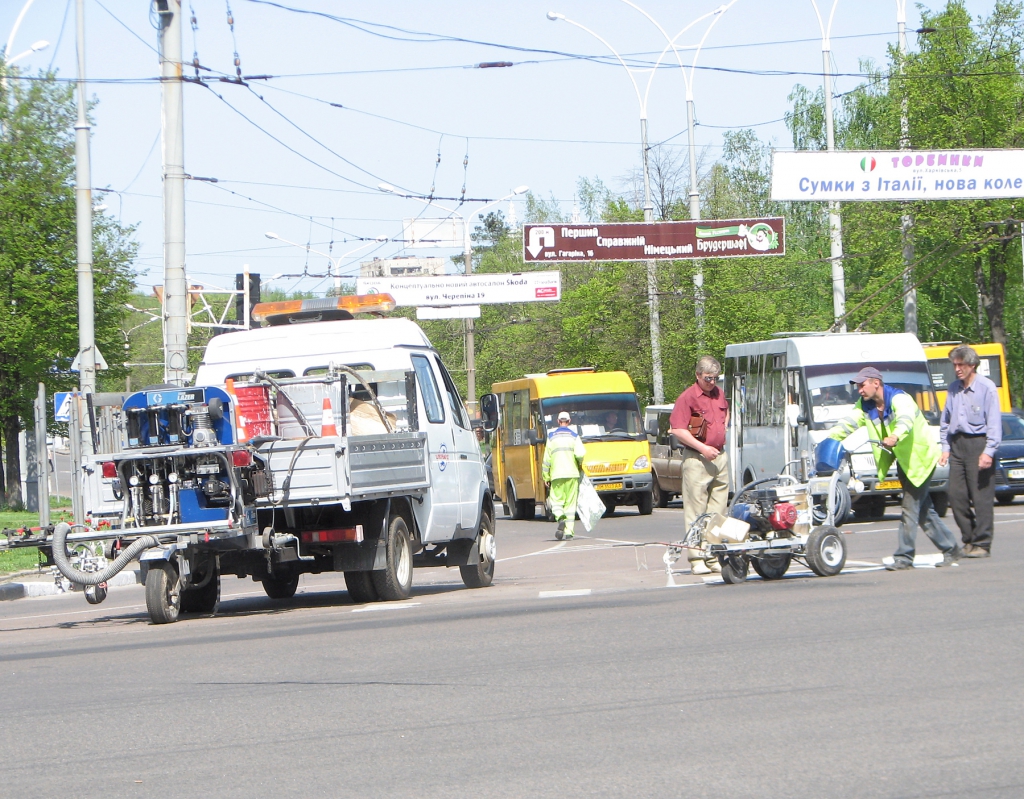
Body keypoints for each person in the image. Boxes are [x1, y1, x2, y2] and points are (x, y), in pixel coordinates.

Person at [829, 367, 960, 570]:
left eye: (862, 385)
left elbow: (905, 420)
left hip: (921, 459)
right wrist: (829, 439)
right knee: (923, 510)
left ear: (876, 383)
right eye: (858, 387)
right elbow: (849, 423)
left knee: (909, 507)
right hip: (904, 460)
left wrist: (895, 436)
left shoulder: (900, 399)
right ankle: (950, 548)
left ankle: (904, 557)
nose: (859, 390)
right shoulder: (865, 405)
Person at [939, 345, 1001, 558]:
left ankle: (982, 543)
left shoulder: (987, 387)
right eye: (954, 365)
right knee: (956, 496)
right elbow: (945, 421)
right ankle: (968, 538)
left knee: (981, 497)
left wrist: (988, 451)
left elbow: (993, 422)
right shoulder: (953, 388)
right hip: (957, 445)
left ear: (972, 365)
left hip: (979, 445)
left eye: (961, 365)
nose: (957, 369)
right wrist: (945, 448)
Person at [669, 356, 729, 575]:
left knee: (718, 511)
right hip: (697, 458)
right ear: (697, 375)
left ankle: (712, 554)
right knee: (696, 511)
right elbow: (677, 429)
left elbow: (725, 413)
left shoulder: (719, 393)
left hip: (719, 457)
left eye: (715, 378)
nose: (712, 382)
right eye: (707, 378)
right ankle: (696, 558)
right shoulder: (687, 397)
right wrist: (703, 448)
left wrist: (721, 435)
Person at [543, 411, 586, 540]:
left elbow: (546, 460)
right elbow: (580, 454)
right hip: (572, 474)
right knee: (570, 505)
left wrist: (546, 476)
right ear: (569, 421)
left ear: (558, 421)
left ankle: (560, 517)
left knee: (556, 501)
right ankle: (569, 532)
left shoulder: (551, 437)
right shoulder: (574, 436)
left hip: (556, 475)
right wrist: (579, 465)